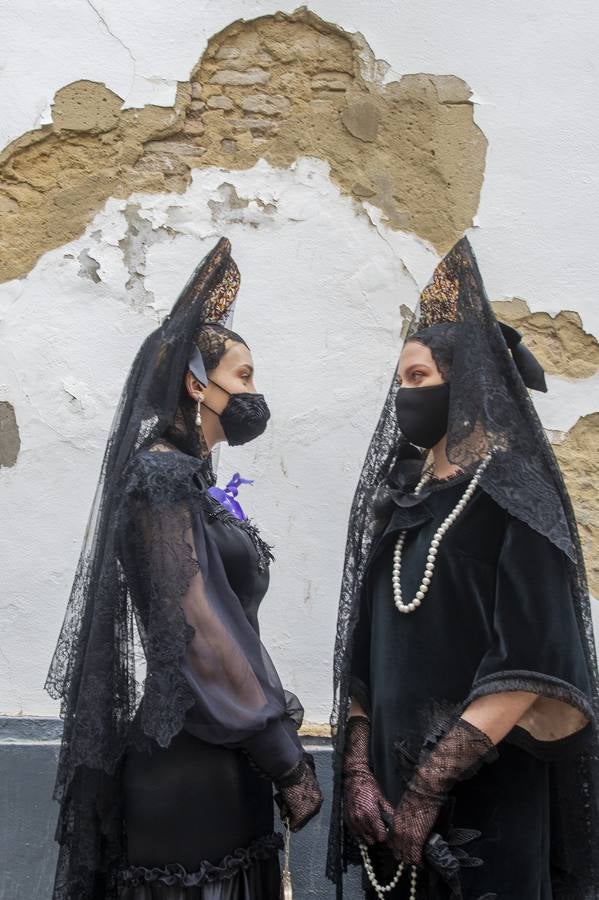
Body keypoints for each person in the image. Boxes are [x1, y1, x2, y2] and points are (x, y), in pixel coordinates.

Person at [46, 238, 322, 900]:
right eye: (245, 375)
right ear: (199, 383)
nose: (255, 392)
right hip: (187, 766)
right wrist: (284, 758)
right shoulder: (159, 477)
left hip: (228, 759)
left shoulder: (192, 481)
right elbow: (197, 626)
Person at [326, 238, 599, 899]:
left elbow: (532, 664)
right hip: (386, 810)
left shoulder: (514, 504)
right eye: (399, 383)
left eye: (417, 378)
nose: (403, 395)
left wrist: (428, 787)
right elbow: (365, 652)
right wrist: (360, 770)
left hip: (484, 806)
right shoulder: (402, 503)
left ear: (468, 382)